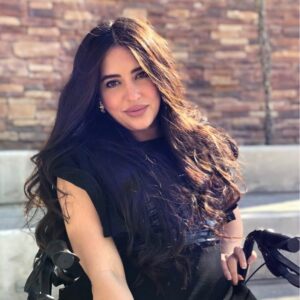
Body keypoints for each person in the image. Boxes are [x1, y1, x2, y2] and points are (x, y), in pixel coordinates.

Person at [24, 17, 257, 300]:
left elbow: (228, 207)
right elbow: (106, 276)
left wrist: (230, 247)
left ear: (160, 75)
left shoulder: (201, 144)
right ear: (97, 94)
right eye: (113, 83)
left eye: (141, 74)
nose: (132, 95)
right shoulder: (78, 166)